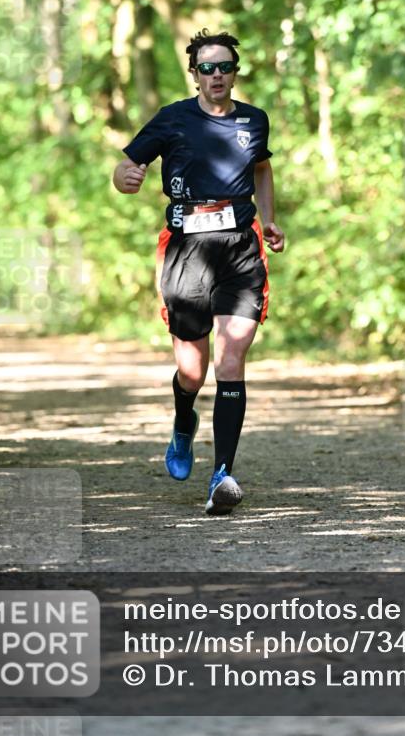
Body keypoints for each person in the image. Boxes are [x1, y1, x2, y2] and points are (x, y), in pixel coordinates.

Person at [113, 29, 285, 515]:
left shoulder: (254, 120)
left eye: (224, 67)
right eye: (206, 68)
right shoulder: (172, 119)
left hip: (239, 249)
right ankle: (183, 420)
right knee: (193, 371)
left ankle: (223, 474)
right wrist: (125, 179)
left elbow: (262, 169)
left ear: (234, 72)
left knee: (231, 361)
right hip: (186, 248)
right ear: (195, 74)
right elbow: (127, 165)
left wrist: (270, 218)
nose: (216, 75)